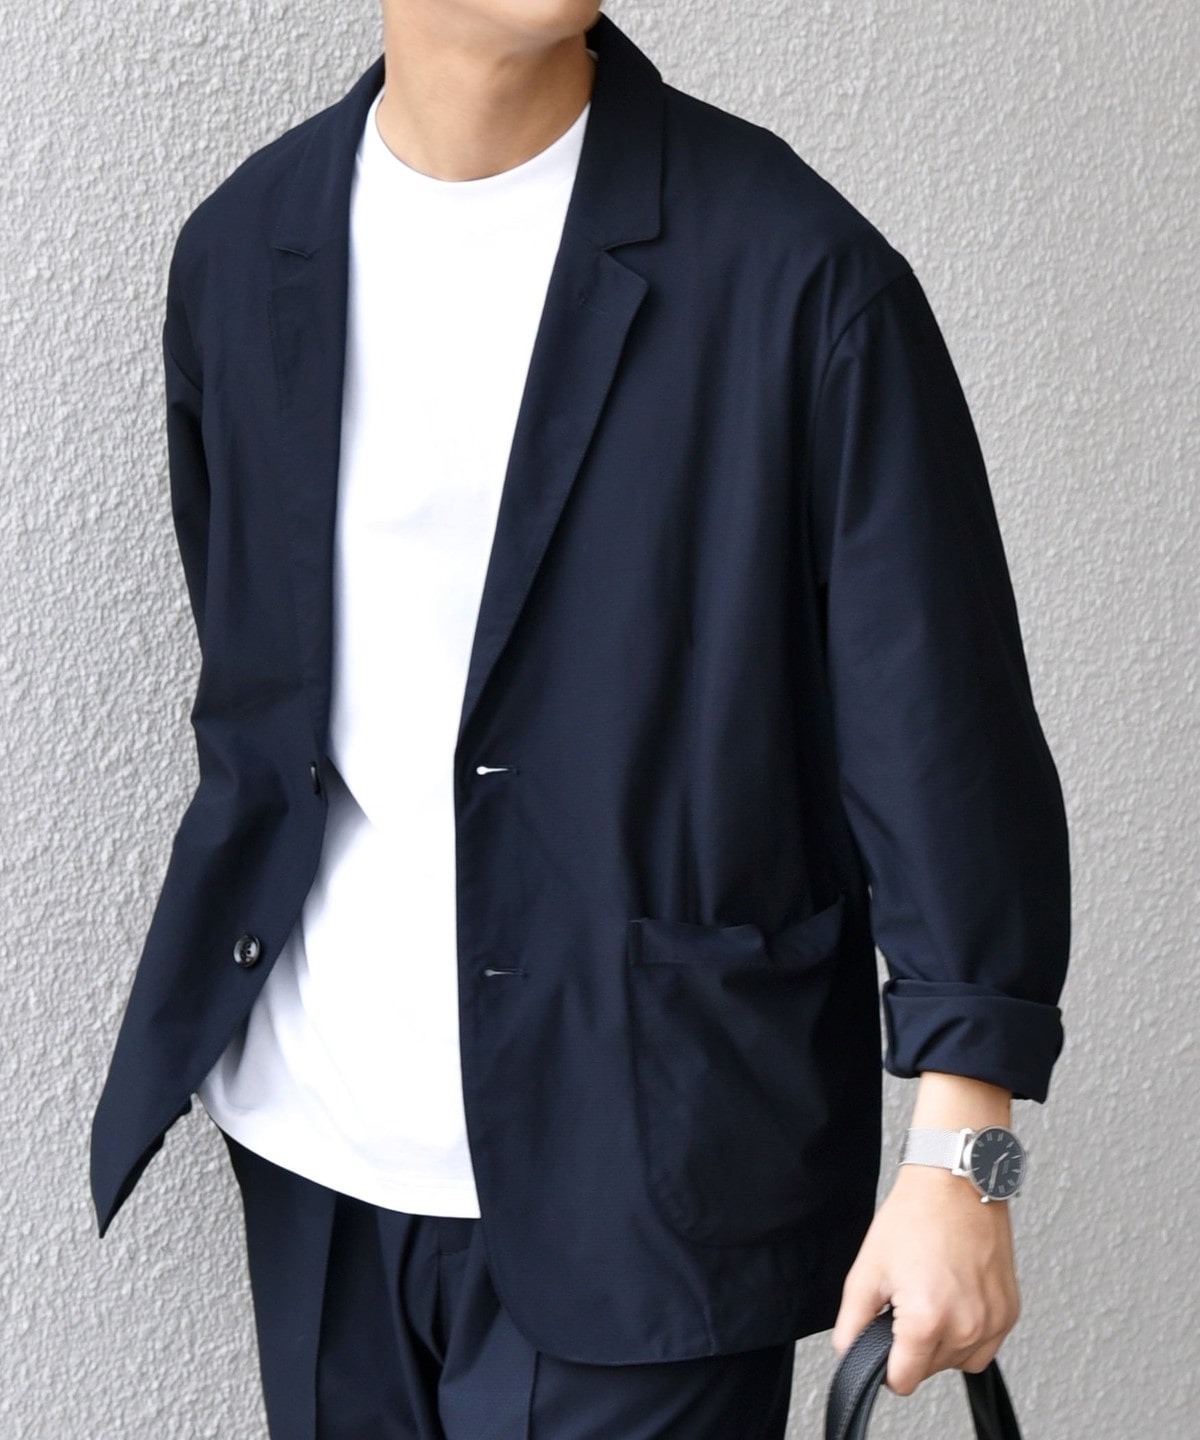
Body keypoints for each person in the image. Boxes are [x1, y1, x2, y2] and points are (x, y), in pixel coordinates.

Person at [90, 4, 1071, 1437]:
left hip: (653, 1177)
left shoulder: (795, 273)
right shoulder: (243, 251)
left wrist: (966, 1156)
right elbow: (266, 691)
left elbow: (943, 739)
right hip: (313, 1149)